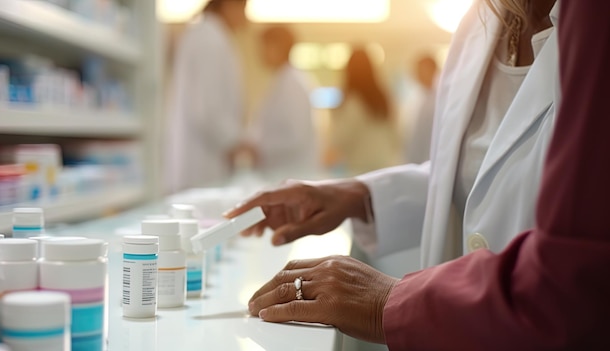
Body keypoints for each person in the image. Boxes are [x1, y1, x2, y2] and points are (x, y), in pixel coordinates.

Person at [239, 1, 610, 348]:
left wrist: (391, 300)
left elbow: (579, 277)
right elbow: (478, 176)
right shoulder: (477, 26)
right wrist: (359, 195)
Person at [165, 0, 248, 193]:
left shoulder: (208, 36)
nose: (245, 18)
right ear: (228, 5)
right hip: (201, 163)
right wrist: (235, 142)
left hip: (202, 162)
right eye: (243, 9)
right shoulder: (210, 40)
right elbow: (207, 109)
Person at [246, 26, 319, 180]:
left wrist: (259, 148)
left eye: (265, 46)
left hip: (291, 173)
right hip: (280, 173)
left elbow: (295, 137)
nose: (260, 52)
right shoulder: (282, 81)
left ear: (278, 47)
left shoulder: (293, 83)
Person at [329, 47, 399, 176]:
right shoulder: (384, 98)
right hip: (385, 166)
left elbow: (342, 137)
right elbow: (396, 135)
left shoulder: (354, 102)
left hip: (360, 170)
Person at [404, 54, 439, 164]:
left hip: (432, 160)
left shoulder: (441, 99)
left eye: (421, 71)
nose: (418, 75)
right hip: (415, 161)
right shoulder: (414, 99)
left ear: (433, 70)